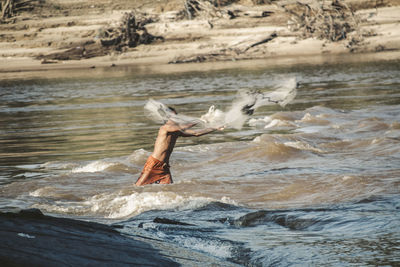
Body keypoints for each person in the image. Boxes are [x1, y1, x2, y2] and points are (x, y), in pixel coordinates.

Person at [135, 107, 224, 186]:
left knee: (169, 188)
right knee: (137, 187)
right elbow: (182, 126)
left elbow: (196, 133)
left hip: (164, 166)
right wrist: (201, 119)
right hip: (154, 164)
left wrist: (215, 128)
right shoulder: (165, 128)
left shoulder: (176, 131)